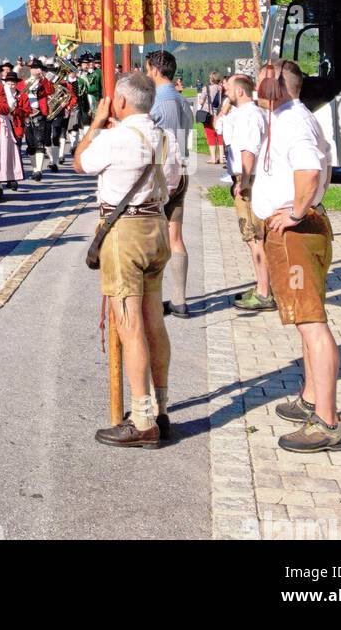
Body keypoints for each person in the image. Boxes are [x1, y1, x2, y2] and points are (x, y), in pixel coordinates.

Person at [74, 71, 174, 447]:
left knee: (129, 325)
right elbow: (176, 180)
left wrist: (96, 124)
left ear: (120, 102)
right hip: (156, 225)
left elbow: (79, 163)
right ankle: (161, 409)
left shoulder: (114, 138)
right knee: (154, 323)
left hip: (124, 232)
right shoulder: (166, 137)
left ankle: (142, 416)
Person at [251, 61, 341, 451]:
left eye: (261, 79)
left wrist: (297, 212)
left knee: (311, 322)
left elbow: (309, 171)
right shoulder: (288, 117)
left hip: (297, 236)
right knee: (307, 319)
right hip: (297, 232)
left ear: (277, 85)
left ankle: (327, 420)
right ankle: (310, 397)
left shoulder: (293, 121)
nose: (257, 85)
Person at [145, 49, 196, 320]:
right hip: (181, 169)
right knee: (176, 237)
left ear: (154, 70)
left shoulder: (156, 102)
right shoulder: (181, 99)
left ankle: (152, 299)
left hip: (160, 175)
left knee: (152, 237)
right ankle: (179, 299)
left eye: (147, 69)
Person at [218, 73, 274, 312]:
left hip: (248, 180)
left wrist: (245, 181)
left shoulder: (250, 116)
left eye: (228, 88)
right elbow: (218, 125)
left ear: (240, 92)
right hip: (248, 178)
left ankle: (264, 292)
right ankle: (262, 285)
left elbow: (248, 151)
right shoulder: (249, 113)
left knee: (254, 237)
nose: (225, 91)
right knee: (255, 238)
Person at [197, 72, 227, 170]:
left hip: (208, 114)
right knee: (219, 135)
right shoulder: (222, 88)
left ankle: (213, 158)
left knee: (210, 135)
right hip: (219, 113)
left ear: (211, 79)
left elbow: (201, 101)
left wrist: (202, 101)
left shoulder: (207, 88)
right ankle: (222, 158)